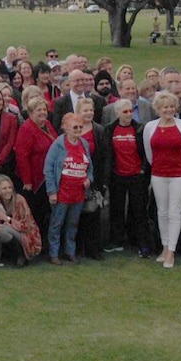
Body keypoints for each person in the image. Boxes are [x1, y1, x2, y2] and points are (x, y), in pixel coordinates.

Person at [143, 92, 181, 269]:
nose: (169, 110)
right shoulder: (150, 127)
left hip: (180, 175)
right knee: (162, 212)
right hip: (158, 174)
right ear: (158, 109)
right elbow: (149, 154)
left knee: (174, 212)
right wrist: (159, 168)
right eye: (165, 107)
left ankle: (171, 251)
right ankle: (164, 247)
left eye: (171, 106)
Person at [102, 99, 152, 257]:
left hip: (137, 176)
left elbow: (146, 152)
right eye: (125, 112)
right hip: (118, 176)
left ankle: (142, 243)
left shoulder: (139, 129)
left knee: (139, 210)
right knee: (116, 210)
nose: (129, 114)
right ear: (117, 113)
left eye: (130, 111)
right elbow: (108, 155)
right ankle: (116, 241)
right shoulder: (110, 130)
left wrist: (144, 169)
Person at [44, 112, 94, 265]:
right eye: (75, 127)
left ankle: (69, 252)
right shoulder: (58, 145)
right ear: (65, 128)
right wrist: (52, 191)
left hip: (78, 194)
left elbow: (90, 167)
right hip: (61, 194)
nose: (78, 129)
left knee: (73, 225)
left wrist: (89, 179)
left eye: (80, 127)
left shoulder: (84, 144)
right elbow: (48, 168)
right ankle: (53, 253)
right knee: (56, 224)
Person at [15, 96, 58, 235]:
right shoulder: (26, 128)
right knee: (37, 213)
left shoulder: (48, 125)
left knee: (47, 211)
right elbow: (22, 156)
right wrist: (27, 181)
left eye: (44, 109)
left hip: (50, 176)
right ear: (31, 112)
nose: (42, 112)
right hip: (36, 179)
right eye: (38, 110)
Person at [76, 97, 106, 260]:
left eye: (91, 110)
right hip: (74, 178)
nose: (89, 113)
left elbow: (104, 156)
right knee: (76, 214)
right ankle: (77, 247)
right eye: (85, 110)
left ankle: (93, 249)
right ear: (78, 112)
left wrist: (100, 181)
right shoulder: (71, 129)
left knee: (93, 213)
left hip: (93, 179)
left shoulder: (99, 130)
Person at [0, 174, 41, 265]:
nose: (8, 191)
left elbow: (27, 226)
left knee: (1, 229)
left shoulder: (19, 200)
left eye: (9, 187)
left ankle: (21, 254)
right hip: (10, 231)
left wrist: (7, 219)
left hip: (26, 234)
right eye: (4, 188)